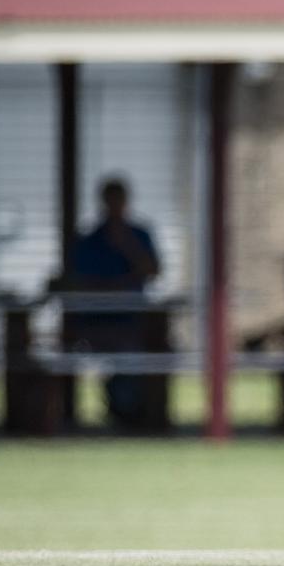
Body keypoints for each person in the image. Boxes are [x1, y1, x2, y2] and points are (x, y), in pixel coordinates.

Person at [70, 177, 162, 428]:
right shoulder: (90, 240)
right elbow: (81, 281)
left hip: (131, 322)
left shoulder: (139, 235)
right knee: (114, 355)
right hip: (95, 323)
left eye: (119, 200)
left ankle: (129, 414)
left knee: (135, 354)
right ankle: (118, 410)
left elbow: (152, 270)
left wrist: (126, 244)